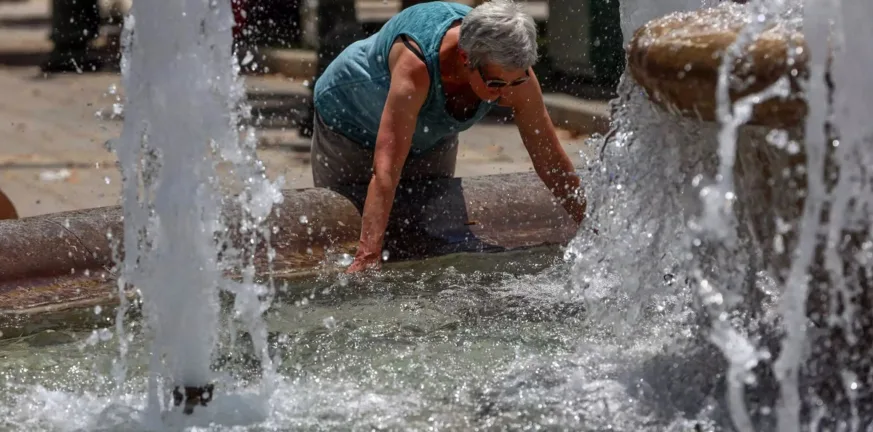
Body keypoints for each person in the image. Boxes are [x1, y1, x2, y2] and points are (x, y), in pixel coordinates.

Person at [311, 0, 586, 273]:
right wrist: (366, 258)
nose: (508, 93)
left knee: (429, 233)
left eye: (516, 81)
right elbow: (385, 170)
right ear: (465, 58)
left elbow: (550, 160)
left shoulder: (513, 69)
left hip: (430, 134)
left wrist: (592, 228)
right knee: (343, 237)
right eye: (495, 83)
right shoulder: (416, 62)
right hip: (350, 123)